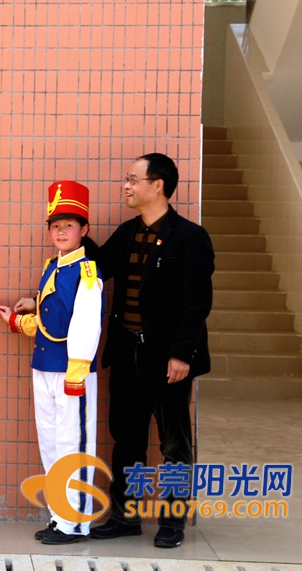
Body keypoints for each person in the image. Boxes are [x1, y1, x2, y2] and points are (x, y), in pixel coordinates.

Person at [89, 153, 214, 549]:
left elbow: (197, 303)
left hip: (166, 358)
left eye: (133, 179)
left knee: (174, 444)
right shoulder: (128, 233)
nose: (126, 186)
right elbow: (96, 268)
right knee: (126, 439)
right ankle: (125, 517)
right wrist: (73, 231)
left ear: (157, 185)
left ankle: (173, 522)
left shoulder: (190, 237)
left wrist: (182, 354)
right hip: (126, 351)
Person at [0, 180, 103, 545]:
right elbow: (51, 322)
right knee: (52, 444)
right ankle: (60, 516)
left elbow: (85, 327)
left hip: (71, 373)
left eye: (68, 225)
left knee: (74, 445)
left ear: (84, 230)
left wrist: (76, 376)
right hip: (43, 368)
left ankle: (75, 522)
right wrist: (17, 320)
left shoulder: (87, 271)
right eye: (55, 225)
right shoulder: (52, 266)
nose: (61, 231)